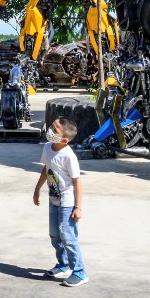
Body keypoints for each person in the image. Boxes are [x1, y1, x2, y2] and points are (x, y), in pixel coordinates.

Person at [33, 117, 87, 287]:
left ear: (64, 140)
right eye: (51, 126)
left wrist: (78, 207)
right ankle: (63, 265)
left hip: (68, 203)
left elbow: (77, 182)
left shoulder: (69, 156)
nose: (50, 130)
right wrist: (37, 190)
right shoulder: (48, 147)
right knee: (55, 236)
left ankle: (79, 271)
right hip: (53, 200)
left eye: (55, 130)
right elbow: (46, 169)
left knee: (68, 236)